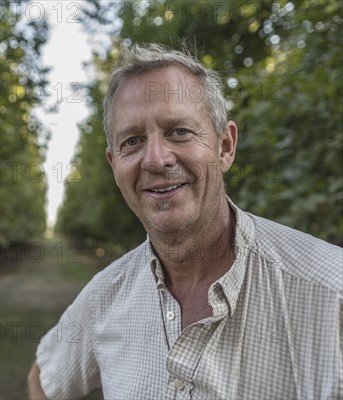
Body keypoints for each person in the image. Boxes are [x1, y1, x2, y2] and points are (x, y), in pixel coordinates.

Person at [27, 43, 342, 399]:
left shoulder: (331, 293)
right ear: (115, 165)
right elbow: (43, 379)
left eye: (180, 131)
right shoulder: (106, 295)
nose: (156, 159)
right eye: (132, 141)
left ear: (225, 147)